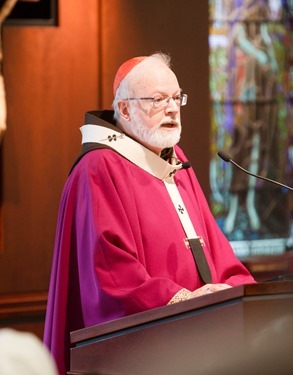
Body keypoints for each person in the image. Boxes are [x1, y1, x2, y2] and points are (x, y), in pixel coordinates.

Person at [44, 52, 255, 375]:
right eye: (157, 100)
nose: (172, 108)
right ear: (125, 108)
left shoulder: (174, 162)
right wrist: (185, 301)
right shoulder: (99, 168)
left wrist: (238, 288)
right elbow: (111, 275)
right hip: (140, 354)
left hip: (201, 343)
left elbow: (215, 248)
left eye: (176, 98)